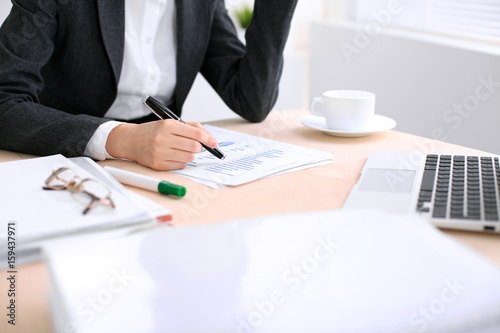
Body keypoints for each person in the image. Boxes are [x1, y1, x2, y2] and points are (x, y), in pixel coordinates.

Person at [0, 0, 298, 170]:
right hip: (66, 159)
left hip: (165, 170)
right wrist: (124, 139)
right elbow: (5, 101)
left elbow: (251, 99)